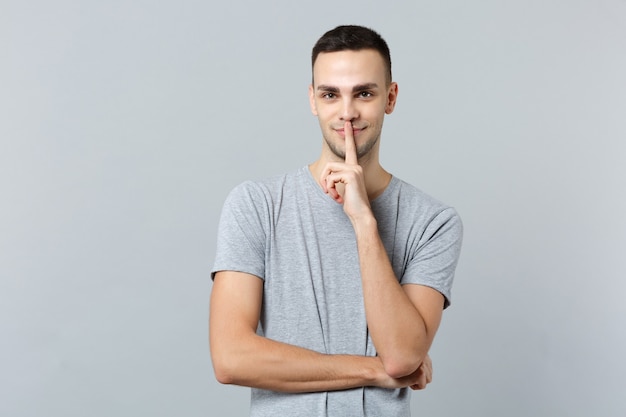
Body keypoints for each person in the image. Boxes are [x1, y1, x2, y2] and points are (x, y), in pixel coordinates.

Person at [209, 25, 463, 417]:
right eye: (330, 94)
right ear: (313, 100)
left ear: (390, 98)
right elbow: (230, 357)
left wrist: (363, 221)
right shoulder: (255, 204)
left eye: (364, 93)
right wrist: (372, 370)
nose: (347, 112)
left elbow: (401, 356)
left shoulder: (433, 222)